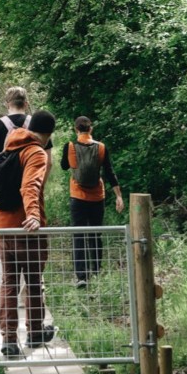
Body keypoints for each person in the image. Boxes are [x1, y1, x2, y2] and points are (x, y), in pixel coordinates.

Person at [0, 110, 57, 359]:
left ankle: (9, 340)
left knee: (9, 282)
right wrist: (33, 215)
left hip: (2, 225)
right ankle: (35, 332)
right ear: (49, 134)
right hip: (26, 229)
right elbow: (30, 185)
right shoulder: (36, 152)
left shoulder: (11, 144)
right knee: (32, 281)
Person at [59, 116, 123, 286]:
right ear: (91, 129)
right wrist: (118, 196)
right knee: (95, 233)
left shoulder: (70, 146)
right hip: (97, 197)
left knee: (78, 234)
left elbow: (64, 166)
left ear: (76, 129)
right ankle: (96, 271)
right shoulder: (101, 147)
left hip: (77, 196)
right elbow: (109, 172)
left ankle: (81, 276)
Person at [0, 87, 31, 222]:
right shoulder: (35, 123)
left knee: (5, 225)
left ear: (7, 104)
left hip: (5, 185)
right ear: (26, 103)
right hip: (30, 180)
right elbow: (48, 161)